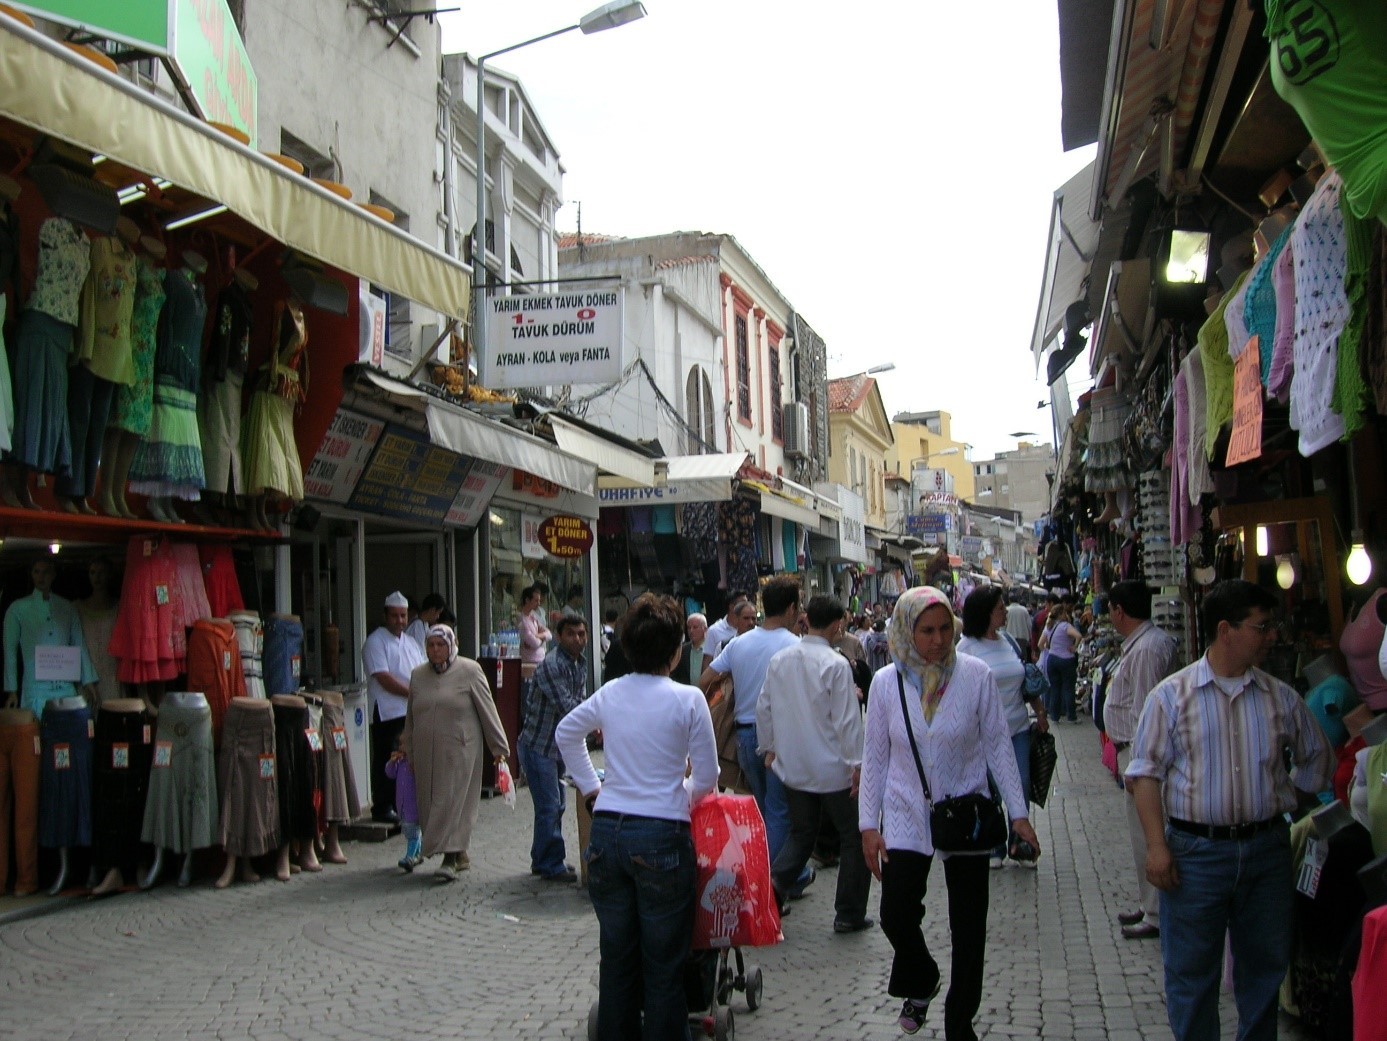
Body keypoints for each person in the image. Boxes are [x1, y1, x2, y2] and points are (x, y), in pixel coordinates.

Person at [1126, 580, 1333, 1041]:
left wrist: (1285, 800)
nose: (1272, 636)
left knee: (1264, 969)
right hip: (1196, 854)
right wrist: (1157, 847)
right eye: (1262, 627)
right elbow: (1144, 775)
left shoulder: (1280, 697)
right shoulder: (1171, 697)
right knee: (1191, 973)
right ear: (1226, 630)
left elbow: (1317, 758)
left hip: (1266, 851)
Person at [859, 586, 1038, 1040]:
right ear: (907, 631)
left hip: (967, 810)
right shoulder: (886, 683)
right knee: (896, 913)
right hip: (905, 811)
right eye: (926, 631)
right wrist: (868, 826)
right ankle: (921, 978)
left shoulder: (975, 676)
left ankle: (961, 1024)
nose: (938, 640)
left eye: (944, 629)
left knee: (969, 927)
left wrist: (1018, 814)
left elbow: (998, 745)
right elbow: (874, 757)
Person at [555, 594, 718, 1041]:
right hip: (662, 834)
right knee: (663, 963)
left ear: (628, 647)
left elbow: (566, 733)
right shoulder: (688, 699)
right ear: (676, 651)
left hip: (608, 834)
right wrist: (682, 796)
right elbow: (707, 777)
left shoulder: (612, 692)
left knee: (617, 958)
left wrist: (593, 789)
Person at [758, 594, 872, 934]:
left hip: (794, 764)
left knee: (802, 832)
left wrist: (769, 747)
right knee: (853, 835)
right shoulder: (835, 664)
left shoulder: (781, 659)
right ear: (837, 624)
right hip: (833, 768)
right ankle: (849, 912)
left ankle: (775, 885)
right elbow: (847, 721)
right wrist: (858, 764)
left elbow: (764, 707)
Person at [699, 577, 803, 866]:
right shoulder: (795, 646)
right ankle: (770, 877)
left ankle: (764, 869)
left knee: (761, 806)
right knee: (779, 811)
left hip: (744, 737)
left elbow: (705, 679)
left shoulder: (737, 644)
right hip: (779, 737)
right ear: (791, 608)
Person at [1100, 580, 1180, 941]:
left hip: (1140, 754)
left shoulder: (1147, 649)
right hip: (1134, 752)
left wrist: (1138, 763)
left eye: (1110, 610)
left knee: (1148, 833)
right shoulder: (1143, 644)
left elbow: (1145, 711)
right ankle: (1150, 904)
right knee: (1142, 834)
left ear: (1120, 611)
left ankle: (1157, 912)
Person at [403, 625, 510, 882]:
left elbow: (488, 710)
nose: (435, 650)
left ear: (452, 645)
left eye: (441, 645)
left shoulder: (470, 671)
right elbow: (410, 718)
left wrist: (499, 749)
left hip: (460, 752)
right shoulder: (418, 675)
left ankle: (449, 858)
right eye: (431, 645)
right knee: (431, 804)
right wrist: (407, 750)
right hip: (426, 754)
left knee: (451, 801)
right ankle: (460, 853)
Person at [957, 585, 1049, 870]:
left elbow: (1025, 679)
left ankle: (1019, 842)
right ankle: (994, 842)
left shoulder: (1007, 640)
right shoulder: (965, 648)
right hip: (983, 734)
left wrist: (1039, 711)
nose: (1005, 611)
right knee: (990, 789)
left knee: (1020, 783)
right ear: (985, 613)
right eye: (1000, 608)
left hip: (1018, 726)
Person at [518, 615, 588, 882]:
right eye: (571, 634)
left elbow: (580, 702)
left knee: (557, 805)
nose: (577, 639)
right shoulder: (551, 665)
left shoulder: (580, 663)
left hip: (558, 748)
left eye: (581, 634)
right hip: (539, 747)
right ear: (559, 637)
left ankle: (542, 858)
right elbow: (568, 707)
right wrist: (597, 719)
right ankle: (551, 864)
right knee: (549, 806)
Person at [362, 591, 425, 824]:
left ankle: (403, 804)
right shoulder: (375, 641)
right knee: (387, 759)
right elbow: (383, 677)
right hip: (387, 711)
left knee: (406, 759)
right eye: (395, 616)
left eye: (403, 616)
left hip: (409, 711)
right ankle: (383, 806)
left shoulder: (411, 643)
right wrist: (412, 693)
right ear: (385, 616)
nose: (399, 620)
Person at [1039, 603, 1081, 723]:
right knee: (1068, 688)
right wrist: (1074, 647)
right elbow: (1078, 636)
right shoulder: (1065, 626)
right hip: (1066, 660)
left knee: (1055, 689)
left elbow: (1040, 644)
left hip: (1052, 660)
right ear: (1062, 614)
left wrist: (1050, 650)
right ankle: (1071, 716)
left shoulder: (1048, 627)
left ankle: (1054, 717)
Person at [384, 739, 422, 872]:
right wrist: (392, 762)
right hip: (402, 805)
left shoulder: (416, 761)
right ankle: (418, 853)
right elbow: (389, 773)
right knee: (409, 830)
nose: (401, 747)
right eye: (400, 744)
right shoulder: (399, 763)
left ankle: (409, 857)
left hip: (414, 805)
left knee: (412, 831)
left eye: (405, 744)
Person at [703, 595, 751, 662]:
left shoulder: (751, 629)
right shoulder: (714, 630)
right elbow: (707, 660)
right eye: (742, 604)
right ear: (731, 606)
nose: (746, 607)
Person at [518, 584, 551, 669]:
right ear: (527, 600)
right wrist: (543, 638)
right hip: (529, 662)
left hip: (540, 660)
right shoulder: (521, 620)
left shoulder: (533, 617)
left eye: (539, 601)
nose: (538, 604)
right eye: (536, 601)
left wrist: (537, 636)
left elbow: (549, 634)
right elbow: (534, 643)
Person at [670, 612, 707, 686]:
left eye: (695, 627)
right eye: (689, 628)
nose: (691, 631)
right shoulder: (683, 650)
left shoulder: (712, 649)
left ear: (705, 629)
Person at [1004, 595, 1032, 660]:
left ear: (1010, 601)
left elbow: (1003, 626)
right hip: (1022, 637)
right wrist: (1030, 637)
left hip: (1010, 637)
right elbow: (1029, 625)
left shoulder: (1007, 610)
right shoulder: (1024, 610)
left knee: (1011, 656)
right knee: (1023, 657)